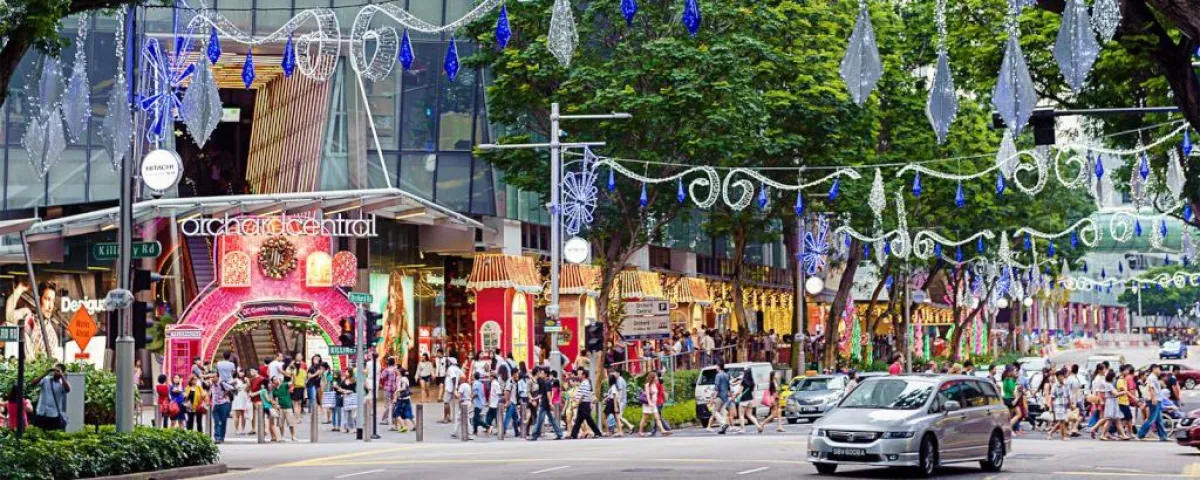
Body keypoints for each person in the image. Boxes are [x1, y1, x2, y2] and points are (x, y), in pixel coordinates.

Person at [1137, 364, 1169, 441]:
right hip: (1154, 400)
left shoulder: (1154, 377)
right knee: (1151, 419)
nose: (1160, 371)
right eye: (1159, 369)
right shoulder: (1152, 378)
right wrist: (1153, 399)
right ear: (1154, 369)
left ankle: (1163, 436)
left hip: (1157, 400)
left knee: (1159, 420)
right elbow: (1151, 388)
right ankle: (1140, 434)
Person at [569, 367, 602, 439]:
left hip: (584, 404)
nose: (579, 375)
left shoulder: (585, 383)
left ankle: (598, 433)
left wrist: (577, 402)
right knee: (579, 420)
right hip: (583, 404)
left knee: (589, 420)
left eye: (580, 374)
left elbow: (583, 395)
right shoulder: (585, 382)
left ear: (584, 375)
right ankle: (573, 434)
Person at [637, 371, 671, 437]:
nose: (657, 378)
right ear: (652, 377)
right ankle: (640, 432)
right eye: (656, 377)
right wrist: (650, 403)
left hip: (654, 404)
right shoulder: (647, 385)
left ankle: (663, 431)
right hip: (648, 405)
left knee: (657, 418)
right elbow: (647, 395)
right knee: (644, 418)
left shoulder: (655, 384)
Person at [270, 375, 297, 442]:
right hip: (280, 409)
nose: (277, 380)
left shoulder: (284, 385)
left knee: (291, 423)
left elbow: (292, 383)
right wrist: (276, 405)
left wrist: (293, 376)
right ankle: (282, 436)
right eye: (275, 380)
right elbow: (273, 400)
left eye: (277, 378)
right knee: (281, 424)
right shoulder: (274, 391)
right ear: (273, 382)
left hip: (288, 407)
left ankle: (293, 436)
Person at [1047, 369, 1070, 441]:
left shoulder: (1066, 385)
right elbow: (1052, 397)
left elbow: (1068, 395)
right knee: (1062, 421)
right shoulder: (1055, 386)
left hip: (1065, 404)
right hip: (1058, 405)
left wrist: (1070, 404)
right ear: (1057, 377)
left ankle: (1051, 432)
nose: (1062, 377)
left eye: (1062, 376)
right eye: (1060, 376)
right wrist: (1050, 407)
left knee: (1062, 421)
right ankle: (1062, 436)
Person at [736, 368, 761, 433]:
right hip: (750, 400)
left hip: (744, 400)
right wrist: (754, 400)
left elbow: (739, 391)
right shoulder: (752, 382)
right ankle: (758, 426)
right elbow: (753, 392)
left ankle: (742, 429)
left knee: (741, 415)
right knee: (749, 415)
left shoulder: (743, 381)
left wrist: (735, 395)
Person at [211, 373, 233, 444]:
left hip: (223, 404)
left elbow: (231, 388)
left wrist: (226, 392)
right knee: (217, 422)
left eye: (214, 377)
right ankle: (217, 438)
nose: (212, 378)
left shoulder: (222, 384)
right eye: (212, 377)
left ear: (218, 377)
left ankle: (222, 437)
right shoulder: (211, 385)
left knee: (223, 421)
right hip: (215, 405)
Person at [393, 368, 415, 433]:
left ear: (400, 373)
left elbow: (404, 388)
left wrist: (396, 391)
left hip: (402, 398)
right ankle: (415, 425)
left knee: (396, 413)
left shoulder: (403, 379)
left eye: (398, 371)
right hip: (407, 398)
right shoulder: (405, 378)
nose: (397, 372)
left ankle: (403, 426)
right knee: (408, 413)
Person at [713, 363, 732, 434]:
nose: (716, 368)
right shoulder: (726, 375)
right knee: (722, 412)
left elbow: (716, 387)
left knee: (714, 411)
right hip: (726, 396)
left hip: (719, 396)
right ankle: (723, 429)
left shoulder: (718, 375)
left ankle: (724, 424)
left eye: (716, 366)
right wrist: (730, 394)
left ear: (719, 367)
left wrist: (713, 397)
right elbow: (728, 386)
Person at [455, 370, 474, 440]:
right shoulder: (468, 385)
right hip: (468, 402)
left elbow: (458, 396)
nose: (459, 380)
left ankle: (470, 433)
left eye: (460, 379)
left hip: (464, 403)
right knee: (460, 418)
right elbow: (471, 395)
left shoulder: (462, 386)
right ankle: (456, 432)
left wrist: (455, 392)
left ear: (462, 379)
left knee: (465, 418)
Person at [442, 358, 462, 424]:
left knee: (446, 402)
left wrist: (453, 388)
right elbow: (462, 377)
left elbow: (454, 378)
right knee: (447, 402)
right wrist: (457, 386)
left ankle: (445, 418)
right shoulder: (457, 369)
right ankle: (448, 417)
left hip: (449, 388)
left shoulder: (451, 368)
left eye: (448, 361)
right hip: (452, 388)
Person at [380, 357, 399, 426]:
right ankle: (394, 420)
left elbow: (382, 377)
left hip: (387, 388)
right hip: (394, 389)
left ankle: (385, 420)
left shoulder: (386, 370)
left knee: (387, 405)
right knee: (394, 404)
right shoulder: (396, 370)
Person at [604, 372, 624, 437]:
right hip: (612, 402)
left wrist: (615, 406)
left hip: (612, 402)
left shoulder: (613, 387)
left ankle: (609, 432)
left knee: (605, 416)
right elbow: (612, 395)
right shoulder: (613, 386)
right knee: (616, 417)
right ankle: (619, 432)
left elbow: (614, 396)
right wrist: (607, 397)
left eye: (608, 379)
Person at [231, 370, 251, 435]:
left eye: (243, 372)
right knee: (237, 415)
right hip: (237, 396)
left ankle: (243, 429)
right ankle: (236, 430)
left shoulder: (246, 379)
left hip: (244, 396)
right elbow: (229, 386)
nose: (241, 373)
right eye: (240, 372)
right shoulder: (236, 380)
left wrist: (247, 382)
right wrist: (234, 389)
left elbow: (249, 388)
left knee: (243, 415)